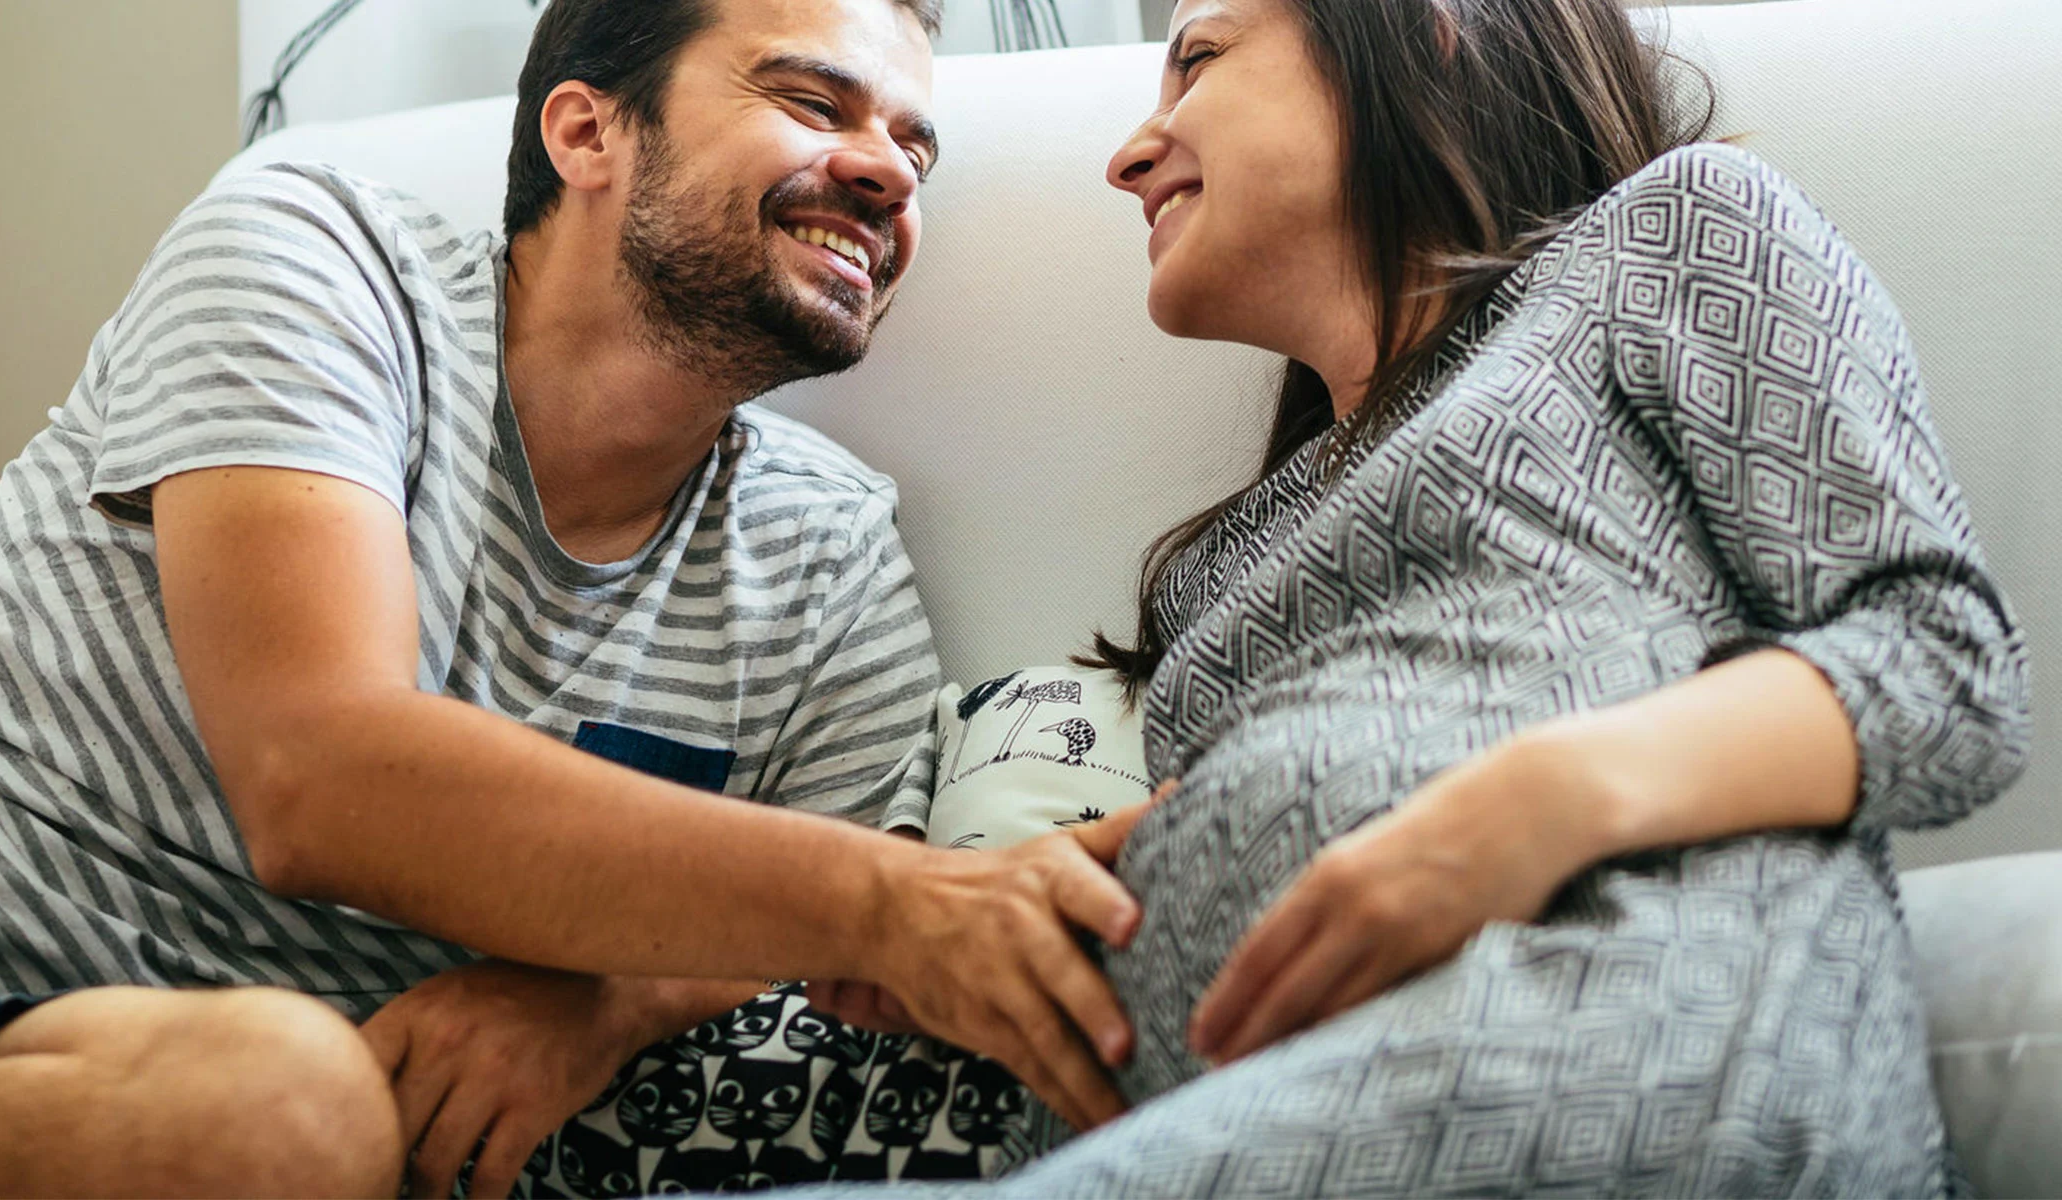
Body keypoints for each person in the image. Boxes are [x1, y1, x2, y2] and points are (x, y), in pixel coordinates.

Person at [0, 0, 1150, 1195]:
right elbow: (315, 775)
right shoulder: (317, 256)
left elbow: (812, 952)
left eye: (915, 153)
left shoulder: (832, 551)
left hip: (179, 1093)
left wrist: (610, 1001)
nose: (887, 174)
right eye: (815, 102)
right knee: (291, 1112)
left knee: (284, 1114)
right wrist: (893, 905)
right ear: (586, 131)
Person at [807, 0, 2031, 1194]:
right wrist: (1021, 918)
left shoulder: (1664, 236)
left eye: (1201, 60)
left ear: (1424, 29)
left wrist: (1537, 803)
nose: (1130, 154)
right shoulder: (1223, 560)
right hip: (1210, 1118)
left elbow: (1947, 668)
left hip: (1594, 1058)